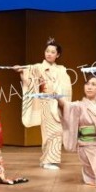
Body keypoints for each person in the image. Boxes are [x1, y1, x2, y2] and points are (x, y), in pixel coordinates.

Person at [13, 38, 72, 170]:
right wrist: (21, 71)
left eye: (52, 52)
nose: (49, 54)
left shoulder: (62, 70)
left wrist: (62, 100)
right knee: (51, 131)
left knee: (58, 131)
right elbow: (28, 79)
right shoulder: (38, 67)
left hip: (58, 102)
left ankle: (47, 159)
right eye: (47, 51)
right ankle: (48, 161)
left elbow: (66, 86)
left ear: (58, 55)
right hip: (46, 102)